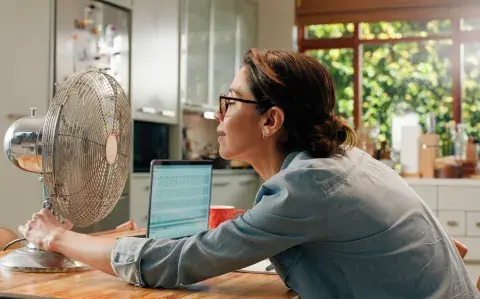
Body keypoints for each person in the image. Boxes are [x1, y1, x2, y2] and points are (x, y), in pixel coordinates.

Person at [19, 49, 478, 299]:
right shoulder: (342, 164)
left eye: (230, 101)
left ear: (271, 120)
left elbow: (175, 265)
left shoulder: (308, 186)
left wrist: (57, 238)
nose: (218, 115)